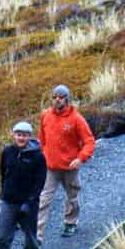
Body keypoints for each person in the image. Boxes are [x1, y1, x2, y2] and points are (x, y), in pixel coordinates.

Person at [0, 121, 47, 249]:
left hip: (28, 204)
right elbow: (4, 174)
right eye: (18, 134)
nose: (21, 138)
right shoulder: (7, 152)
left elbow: (40, 182)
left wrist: (30, 202)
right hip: (8, 202)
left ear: (29, 136)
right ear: (13, 135)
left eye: (24, 135)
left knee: (30, 238)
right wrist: (5, 195)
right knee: (2, 239)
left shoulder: (38, 156)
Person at [37, 84, 96, 240]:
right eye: (54, 97)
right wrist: (42, 156)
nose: (57, 100)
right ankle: (37, 235)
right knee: (43, 200)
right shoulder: (45, 116)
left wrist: (80, 158)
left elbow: (89, 141)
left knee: (72, 197)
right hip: (50, 168)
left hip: (70, 168)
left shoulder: (76, 119)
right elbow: (41, 139)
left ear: (67, 99)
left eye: (61, 97)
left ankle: (70, 223)